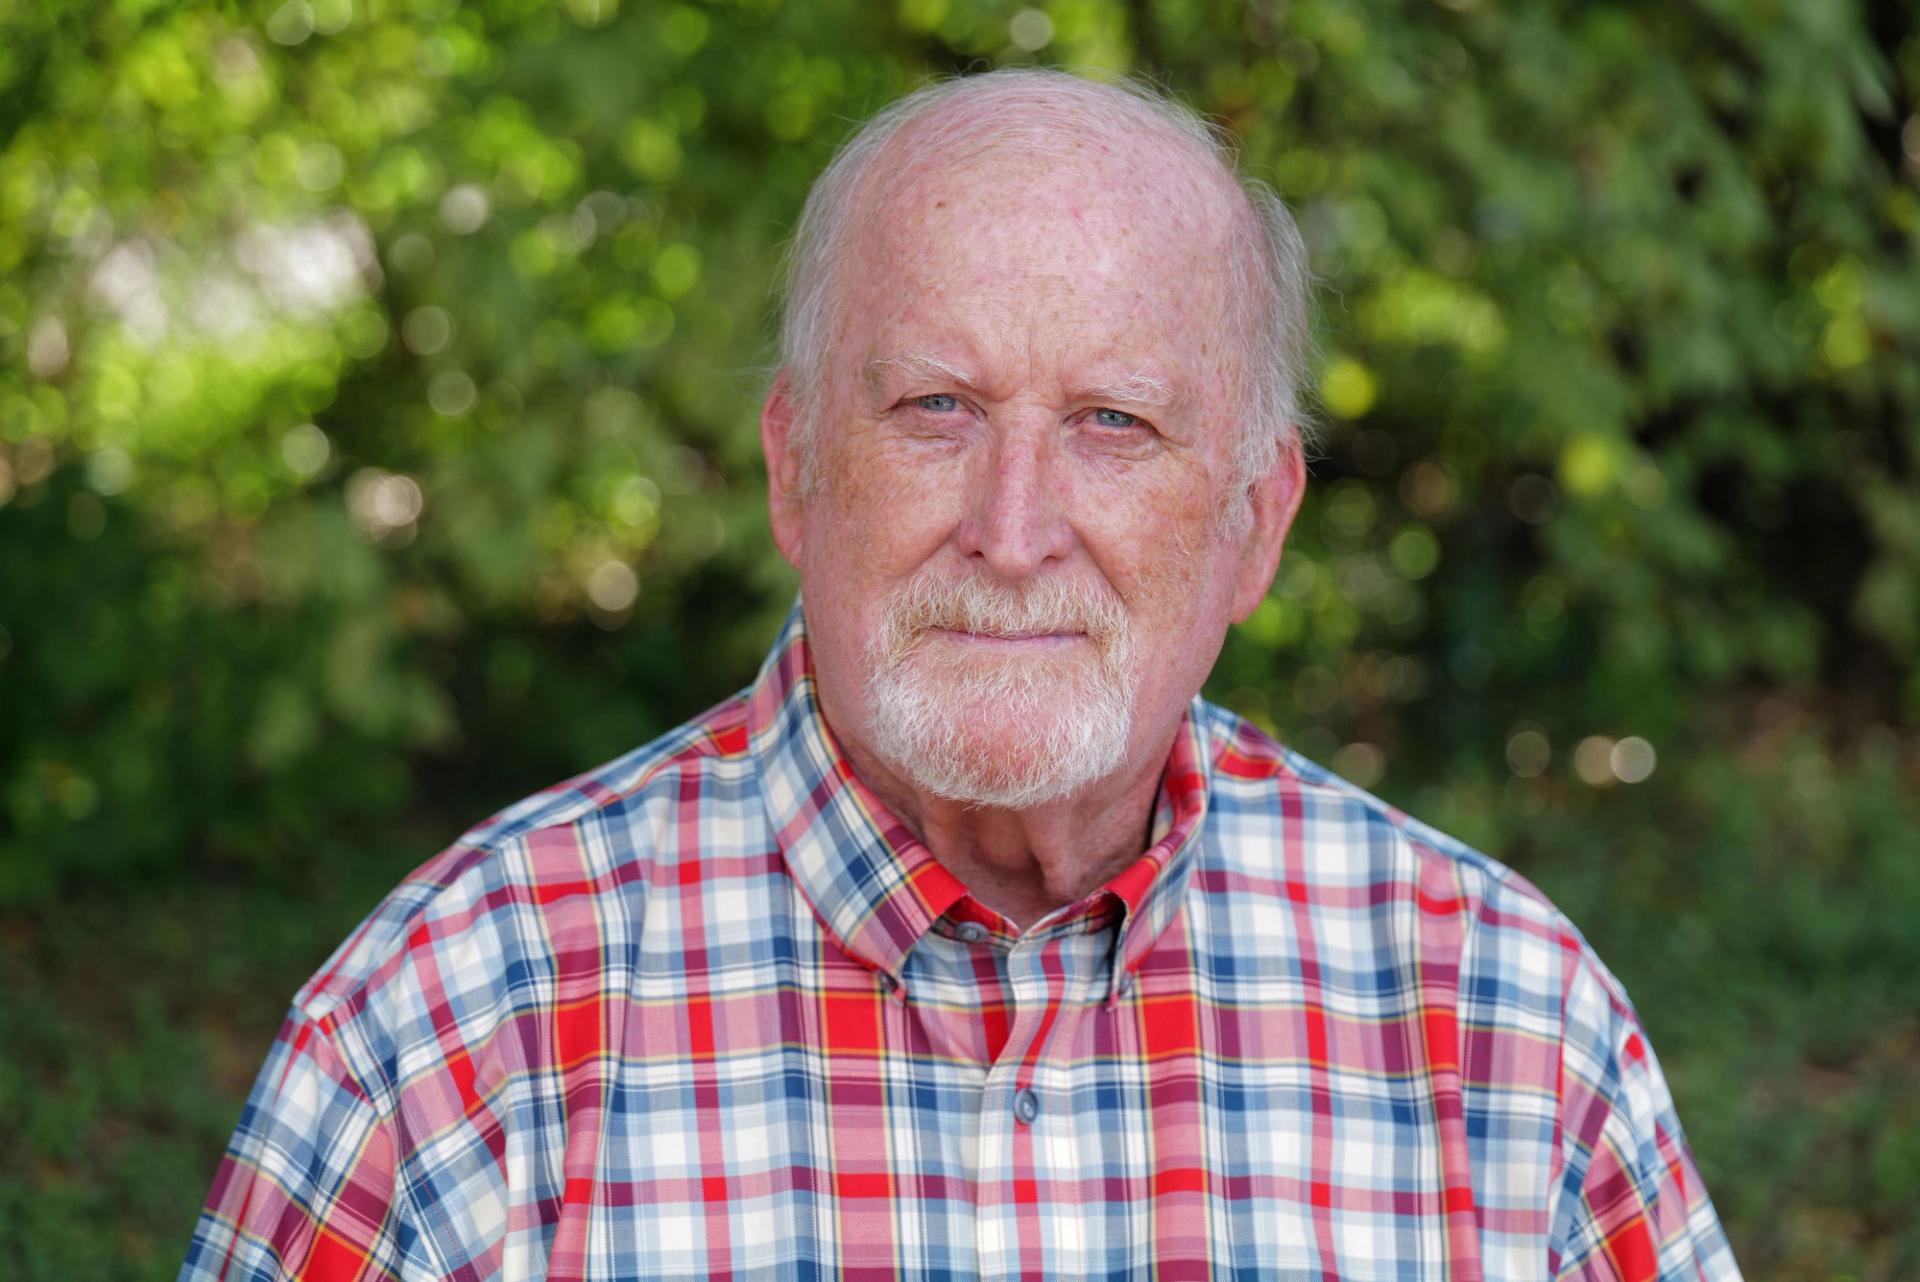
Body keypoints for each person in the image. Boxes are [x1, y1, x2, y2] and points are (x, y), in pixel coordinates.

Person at [181, 69, 1740, 1281]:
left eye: (1114, 424)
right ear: (797, 471)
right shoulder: (451, 1032)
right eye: (935, 406)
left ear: (1256, 524)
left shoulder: (1504, 1026)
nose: (1013, 531)